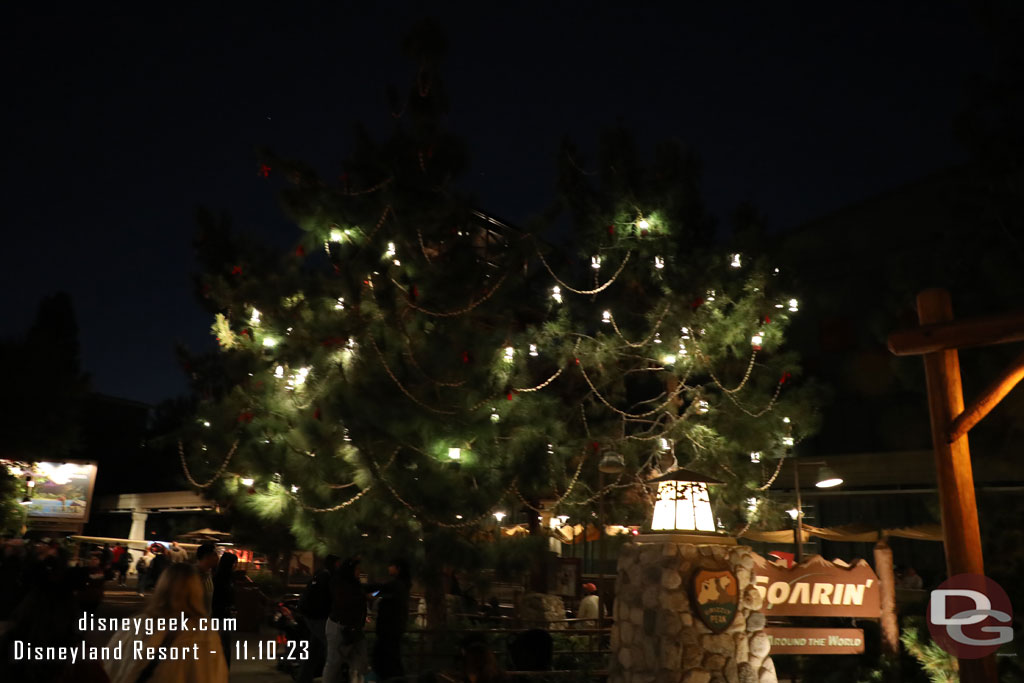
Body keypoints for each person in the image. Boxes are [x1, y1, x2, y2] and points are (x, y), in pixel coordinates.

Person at [103, 562, 228, 683]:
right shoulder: (203, 634)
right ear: (197, 591)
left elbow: (110, 667)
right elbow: (211, 676)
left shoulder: (136, 624)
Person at [323, 557, 369, 683]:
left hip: (355, 628)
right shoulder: (339, 583)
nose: (359, 572)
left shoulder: (355, 583)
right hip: (340, 627)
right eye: (357, 569)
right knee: (334, 663)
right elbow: (345, 602)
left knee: (360, 660)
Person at [297, 554, 340, 683]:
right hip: (318, 617)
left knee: (314, 649)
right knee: (332, 649)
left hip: (311, 615)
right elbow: (326, 600)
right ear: (335, 563)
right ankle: (332, 679)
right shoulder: (328, 577)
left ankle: (303, 678)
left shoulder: (321, 574)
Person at [369, 558, 411, 683]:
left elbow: (380, 588)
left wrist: (369, 592)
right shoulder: (401, 584)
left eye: (391, 565)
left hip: (389, 629)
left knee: (386, 659)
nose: (388, 568)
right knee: (391, 658)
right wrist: (374, 595)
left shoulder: (397, 584)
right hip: (393, 629)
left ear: (398, 568)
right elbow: (380, 590)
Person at [212, 551, 238, 667]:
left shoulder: (226, 577)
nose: (235, 565)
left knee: (225, 643)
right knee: (223, 643)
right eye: (234, 563)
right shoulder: (221, 578)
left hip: (225, 614)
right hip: (220, 614)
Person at [195, 542, 219, 616]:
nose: (218, 557)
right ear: (207, 556)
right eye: (215, 554)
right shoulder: (193, 575)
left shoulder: (208, 574)